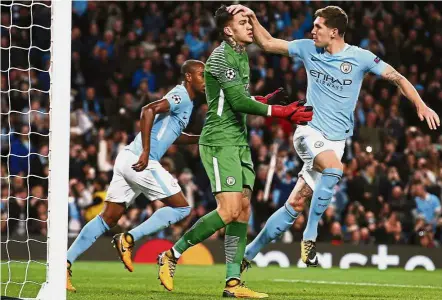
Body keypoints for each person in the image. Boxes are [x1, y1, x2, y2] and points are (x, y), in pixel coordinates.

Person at [226, 4, 440, 268]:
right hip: (309, 130)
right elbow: (268, 43)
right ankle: (310, 238)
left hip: (336, 141)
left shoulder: (360, 58)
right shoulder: (307, 48)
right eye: (313, 25)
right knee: (335, 169)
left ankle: (247, 255)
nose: (312, 30)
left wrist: (421, 104)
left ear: (335, 32)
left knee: (296, 203)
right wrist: (254, 19)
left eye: (318, 27)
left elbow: (397, 77)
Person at [157, 5, 313, 299]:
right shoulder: (220, 57)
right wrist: (280, 111)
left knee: (242, 212)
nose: (249, 26)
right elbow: (239, 103)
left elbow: (234, 98)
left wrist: (263, 99)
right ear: (228, 30)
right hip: (219, 142)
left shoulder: (241, 55)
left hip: (238, 141)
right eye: (243, 22)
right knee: (228, 210)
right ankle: (172, 254)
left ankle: (232, 284)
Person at [66, 60, 206, 292]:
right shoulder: (180, 94)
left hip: (127, 159)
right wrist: (146, 151)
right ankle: (128, 239)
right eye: (201, 74)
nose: (205, 79)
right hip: (140, 160)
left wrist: (200, 138)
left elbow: (174, 135)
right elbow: (147, 110)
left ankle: (65, 263)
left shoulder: (188, 103)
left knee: (108, 218)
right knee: (182, 208)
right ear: (189, 77)